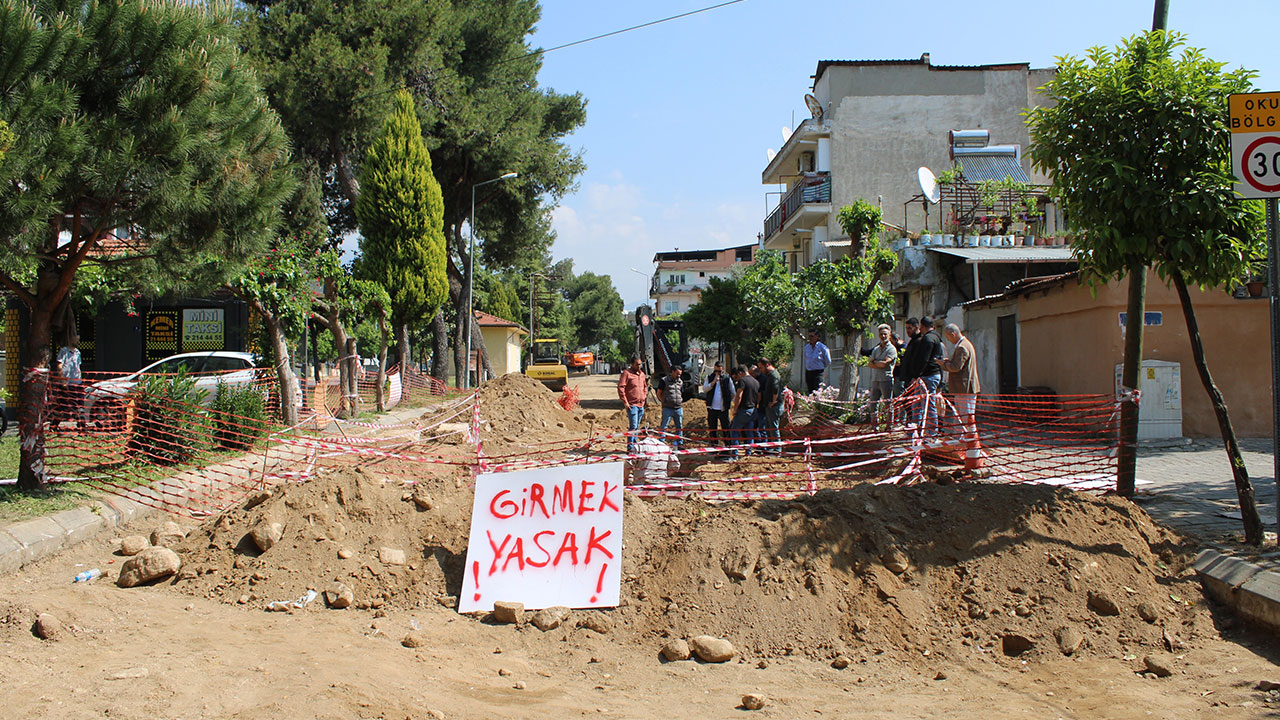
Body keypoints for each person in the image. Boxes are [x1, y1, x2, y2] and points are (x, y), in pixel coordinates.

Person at [901, 317, 943, 429]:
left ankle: (931, 433)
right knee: (917, 405)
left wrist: (916, 376)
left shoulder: (928, 339)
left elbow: (924, 360)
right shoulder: (935, 337)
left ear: (922, 326)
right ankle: (914, 430)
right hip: (928, 376)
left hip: (928, 376)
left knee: (928, 405)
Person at [941, 323, 981, 438]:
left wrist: (943, 364)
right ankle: (960, 438)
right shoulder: (965, 344)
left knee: (964, 417)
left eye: (948, 337)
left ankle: (965, 440)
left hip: (964, 388)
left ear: (953, 334)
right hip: (963, 388)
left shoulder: (962, 347)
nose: (948, 340)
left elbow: (956, 367)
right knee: (960, 416)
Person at [617, 355, 647, 453]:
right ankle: (630, 447)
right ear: (632, 364)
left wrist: (644, 396)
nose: (639, 366)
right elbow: (621, 387)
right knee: (633, 426)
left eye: (640, 364)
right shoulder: (627, 374)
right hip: (632, 405)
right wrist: (625, 402)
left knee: (637, 426)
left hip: (641, 404)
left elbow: (645, 386)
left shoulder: (642, 374)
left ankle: (635, 445)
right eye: (637, 364)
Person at [701, 361, 735, 446]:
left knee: (726, 429)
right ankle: (714, 447)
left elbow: (733, 392)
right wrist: (713, 382)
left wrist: (729, 401)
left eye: (719, 371)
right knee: (712, 429)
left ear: (722, 370)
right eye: (715, 371)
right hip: (712, 408)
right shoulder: (709, 377)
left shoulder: (727, 378)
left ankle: (728, 447)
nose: (717, 373)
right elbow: (704, 389)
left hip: (723, 408)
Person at [728, 365, 760, 456]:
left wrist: (735, 410)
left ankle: (735, 454)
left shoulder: (742, 381)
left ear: (740, 372)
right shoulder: (755, 382)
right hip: (753, 410)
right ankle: (748, 453)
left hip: (743, 410)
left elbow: (739, 396)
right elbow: (758, 397)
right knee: (749, 432)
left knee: (734, 431)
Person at [866, 324, 897, 412]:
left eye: (885, 334)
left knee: (888, 404)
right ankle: (874, 424)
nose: (883, 336)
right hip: (875, 379)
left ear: (889, 335)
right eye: (881, 334)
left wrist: (875, 362)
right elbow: (869, 364)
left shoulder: (891, 349)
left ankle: (889, 425)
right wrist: (877, 363)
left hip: (886, 379)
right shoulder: (876, 349)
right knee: (873, 403)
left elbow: (884, 364)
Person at [654, 365, 685, 449]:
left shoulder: (680, 382)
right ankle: (661, 444)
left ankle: (680, 443)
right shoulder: (664, 381)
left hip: (678, 408)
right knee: (664, 426)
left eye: (680, 374)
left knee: (679, 426)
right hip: (667, 408)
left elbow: (681, 392)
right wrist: (664, 401)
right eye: (677, 374)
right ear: (672, 372)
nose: (678, 376)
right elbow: (659, 393)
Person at [56, 334, 83, 427]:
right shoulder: (64, 351)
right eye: (76, 340)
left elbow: (78, 367)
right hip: (66, 383)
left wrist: (80, 381)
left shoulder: (78, 352)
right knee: (62, 406)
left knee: (79, 405)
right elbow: (59, 366)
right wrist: (63, 381)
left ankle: (81, 427)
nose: (78, 342)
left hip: (77, 383)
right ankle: (54, 425)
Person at [758, 357, 784, 453]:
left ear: (767, 365)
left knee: (773, 428)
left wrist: (773, 401)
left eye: (761, 367)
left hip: (774, 406)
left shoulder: (774, 375)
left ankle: (777, 449)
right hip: (770, 405)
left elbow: (775, 388)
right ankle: (772, 447)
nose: (761, 370)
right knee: (769, 427)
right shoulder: (770, 375)